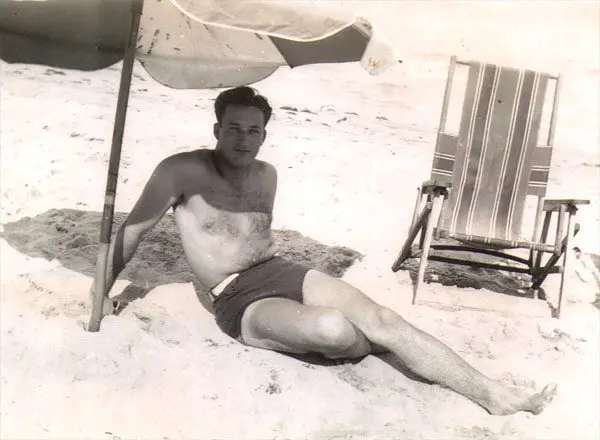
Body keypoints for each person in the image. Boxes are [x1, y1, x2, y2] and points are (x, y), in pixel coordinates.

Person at [91, 86, 556, 416]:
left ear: (265, 135)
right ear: (216, 127)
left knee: (386, 321)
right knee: (335, 330)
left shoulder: (267, 174)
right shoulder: (180, 171)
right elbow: (133, 231)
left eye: (253, 131)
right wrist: (100, 293)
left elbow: (254, 240)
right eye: (233, 128)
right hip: (236, 297)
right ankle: (372, 346)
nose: (242, 140)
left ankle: (492, 394)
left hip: (280, 271)